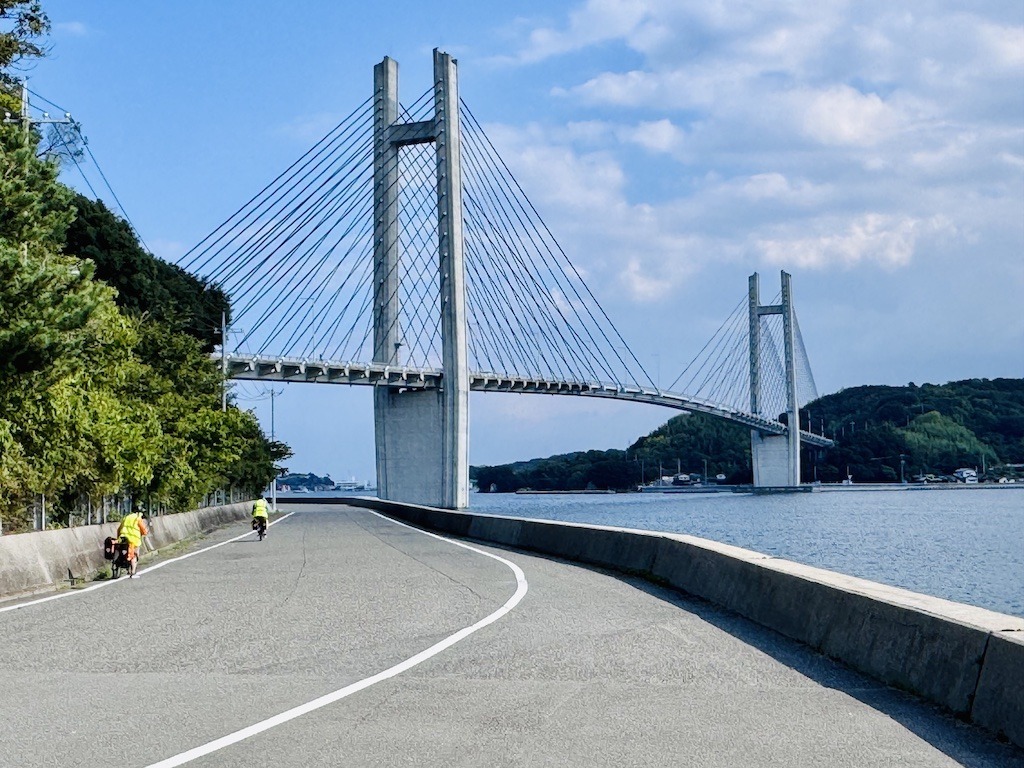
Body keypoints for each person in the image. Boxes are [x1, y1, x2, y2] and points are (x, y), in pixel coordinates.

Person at [117, 507, 149, 574]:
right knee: (135, 554)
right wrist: (145, 532)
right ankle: (133, 570)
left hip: (124, 536)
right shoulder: (137, 518)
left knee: (123, 549)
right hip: (134, 538)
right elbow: (142, 528)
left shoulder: (126, 517)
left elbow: (119, 528)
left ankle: (122, 563)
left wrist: (118, 537)